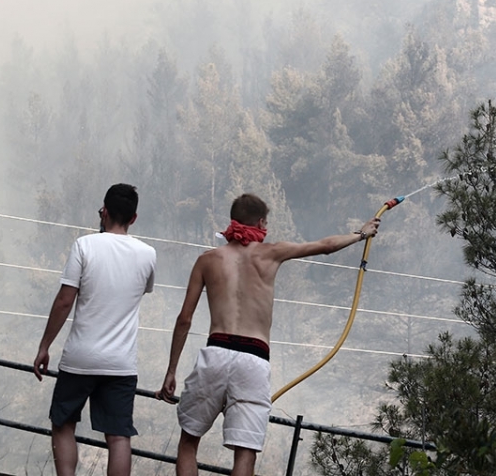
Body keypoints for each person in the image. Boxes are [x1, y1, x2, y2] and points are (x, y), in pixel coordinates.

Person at [155, 193, 381, 476]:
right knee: (245, 453)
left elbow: (184, 319)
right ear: (262, 222)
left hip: (215, 354)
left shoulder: (208, 260)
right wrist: (362, 233)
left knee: (188, 443)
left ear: (232, 221)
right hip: (254, 359)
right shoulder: (272, 253)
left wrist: (171, 371)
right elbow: (324, 246)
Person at [33, 183, 157, 476]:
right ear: (134, 218)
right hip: (121, 363)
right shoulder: (147, 254)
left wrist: (44, 346)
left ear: (104, 211)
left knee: (63, 424)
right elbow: (140, 292)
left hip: (80, 358)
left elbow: (65, 301)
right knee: (118, 436)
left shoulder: (84, 246)